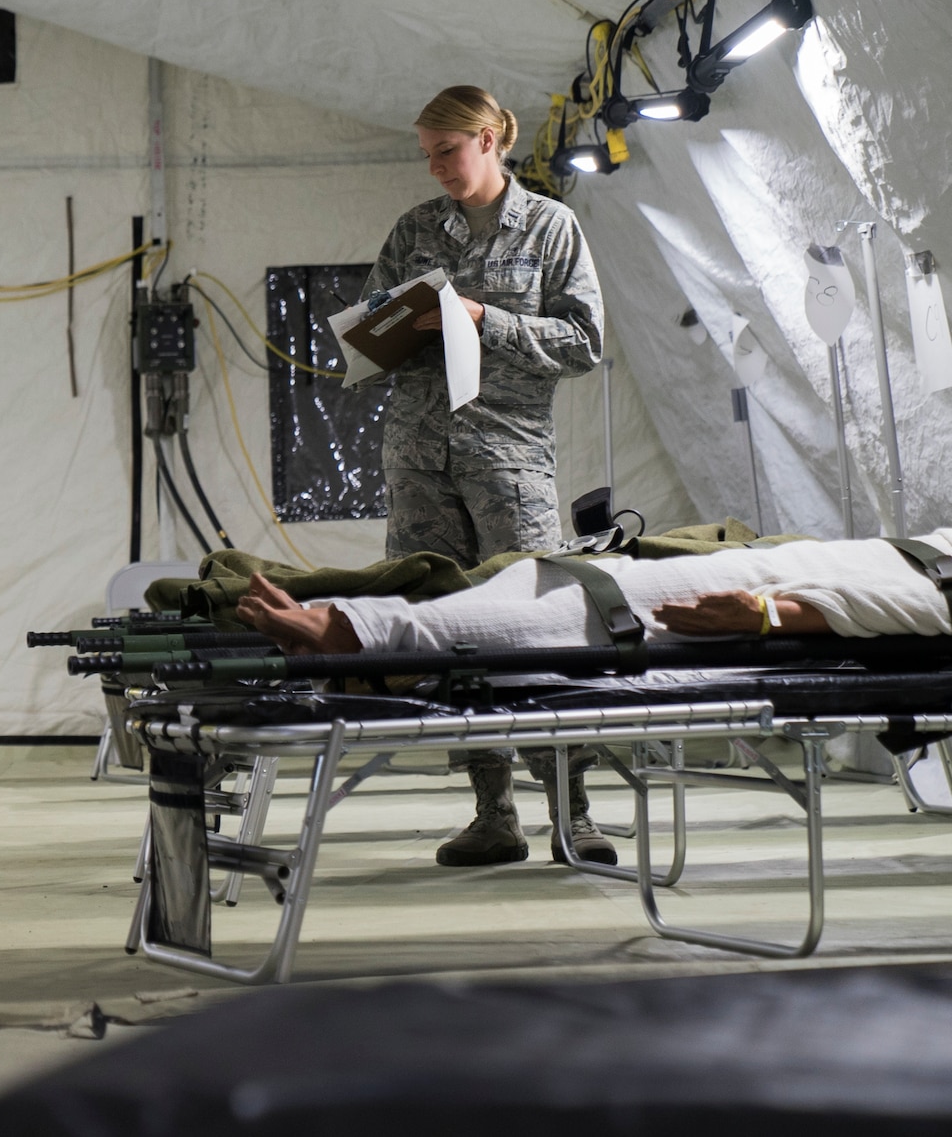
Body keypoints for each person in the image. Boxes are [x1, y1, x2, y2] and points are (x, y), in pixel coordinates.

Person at [235, 531, 952, 861]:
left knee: (588, 612)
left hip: (826, 588)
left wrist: (768, 615)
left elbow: (924, 612)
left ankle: (357, 634)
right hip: (827, 559)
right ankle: (358, 635)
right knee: (565, 585)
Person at [362, 85, 607, 868]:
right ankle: (493, 813)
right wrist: (387, 330)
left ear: (491, 139)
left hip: (508, 460)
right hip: (420, 461)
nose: (435, 166)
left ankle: (574, 812)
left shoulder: (550, 227)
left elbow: (584, 340)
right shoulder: (413, 231)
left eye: (448, 150)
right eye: (427, 152)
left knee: (535, 628)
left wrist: (483, 319)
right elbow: (372, 333)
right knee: (451, 631)